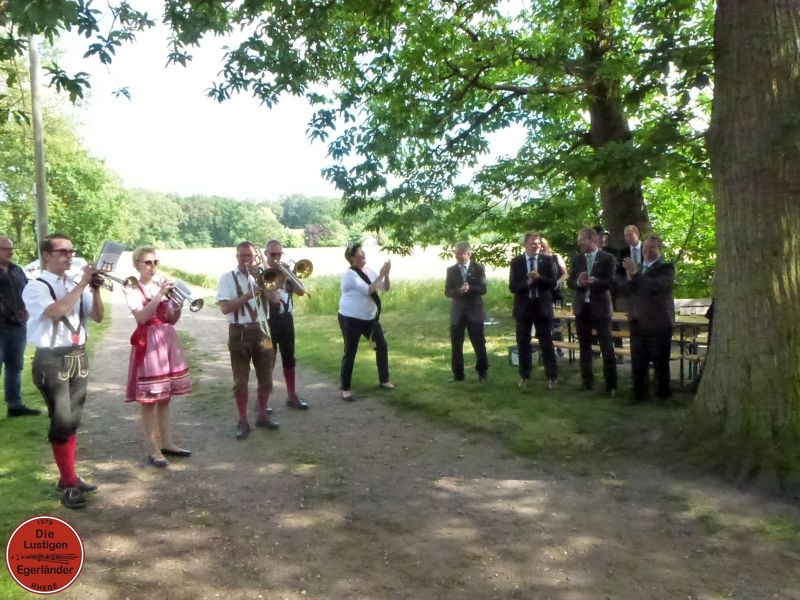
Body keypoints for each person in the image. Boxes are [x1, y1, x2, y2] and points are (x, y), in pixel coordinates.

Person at [22, 233, 104, 509]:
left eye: (71, 251)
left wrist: (95, 289)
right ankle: (69, 483)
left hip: (77, 355)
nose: (69, 256)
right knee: (61, 420)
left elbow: (98, 316)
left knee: (73, 420)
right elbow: (55, 312)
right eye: (63, 252)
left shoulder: (73, 284)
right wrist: (82, 284)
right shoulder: (36, 286)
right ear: (47, 255)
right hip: (51, 359)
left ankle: (68, 476)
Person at [125, 246, 192, 467]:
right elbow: (142, 317)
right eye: (147, 262)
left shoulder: (158, 285)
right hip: (149, 342)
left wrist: (178, 305)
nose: (152, 266)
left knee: (165, 397)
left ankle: (167, 443)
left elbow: (170, 319)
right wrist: (160, 295)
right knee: (150, 399)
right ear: (136, 264)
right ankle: (153, 449)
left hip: (166, 340)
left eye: (155, 262)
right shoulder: (133, 288)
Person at [217, 242, 279, 440]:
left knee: (267, 376)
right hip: (239, 332)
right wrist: (247, 296)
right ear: (236, 257)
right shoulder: (227, 278)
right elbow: (225, 308)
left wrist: (261, 279)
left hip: (264, 332)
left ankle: (262, 414)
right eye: (242, 256)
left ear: (255, 257)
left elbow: (276, 300)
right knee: (240, 380)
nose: (246, 259)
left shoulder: (263, 275)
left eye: (249, 256)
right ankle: (243, 420)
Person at [620, 234, 675, 403]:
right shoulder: (638, 268)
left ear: (660, 250)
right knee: (638, 361)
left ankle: (663, 394)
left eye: (652, 248)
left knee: (660, 361)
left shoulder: (666, 268)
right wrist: (629, 277)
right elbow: (626, 292)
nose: (648, 251)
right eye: (645, 248)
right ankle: (639, 394)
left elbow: (655, 286)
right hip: (638, 321)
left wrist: (636, 274)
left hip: (659, 322)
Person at [566, 227, 618, 395]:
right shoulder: (577, 259)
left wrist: (596, 282)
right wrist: (579, 282)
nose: (579, 243)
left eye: (582, 239)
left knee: (606, 347)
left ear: (592, 240)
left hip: (601, 308)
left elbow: (611, 282)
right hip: (582, 308)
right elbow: (570, 281)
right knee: (584, 346)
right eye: (578, 240)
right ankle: (587, 382)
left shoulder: (607, 258)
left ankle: (611, 385)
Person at [338, 243, 393, 401]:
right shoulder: (350, 275)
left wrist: (386, 274)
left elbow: (385, 288)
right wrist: (381, 274)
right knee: (350, 352)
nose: (363, 255)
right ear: (352, 259)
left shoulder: (369, 271)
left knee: (381, 346)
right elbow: (369, 290)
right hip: (350, 318)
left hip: (369, 318)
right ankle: (345, 388)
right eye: (359, 254)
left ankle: (384, 380)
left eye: (363, 252)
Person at [509, 231, 560, 390]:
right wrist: (528, 282)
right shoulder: (517, 262)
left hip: (542, 307)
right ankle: (524, 376)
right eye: (533, 243)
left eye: (538, 243)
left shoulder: (548, 260)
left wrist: (539, 278)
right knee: (523, 342)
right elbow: (513, 286)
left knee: (546, 342)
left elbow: (553, 283)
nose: (536, 246)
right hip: (524, 307)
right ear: (525, 245)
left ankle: (552, 376)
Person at [264, 240, 309, 410]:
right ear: (266, 254)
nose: (276, 257)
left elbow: (301, 291)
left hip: (286, 320)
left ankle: (292, 396)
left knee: (289, 358)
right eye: (272, 254)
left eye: (279, 254)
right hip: (268, 321)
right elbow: (272, 297)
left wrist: (289, 274)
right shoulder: (261, 272)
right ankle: (263, 400)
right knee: (268, 360)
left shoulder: (286, 271)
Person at [0, 236, 41, 417]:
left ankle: (15, 406)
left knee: (15, 367)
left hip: (17, 327)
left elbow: (27, 292)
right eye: (6, 249)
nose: (11, 252)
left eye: (12, 248)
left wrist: (27, 310)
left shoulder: (17, 270)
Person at [444, 241, 489, 382]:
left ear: (468, 254)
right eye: (456, 254)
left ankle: (482, 372)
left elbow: (483, 289)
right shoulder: (451, 270)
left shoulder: (478, 268)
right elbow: (447, 291)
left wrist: (470, 288)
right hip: (458, 313)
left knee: (479, 343)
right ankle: (458, 374)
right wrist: (459, 290)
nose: (457, 257)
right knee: (456, 344)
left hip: (474, 311)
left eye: (460, 254)